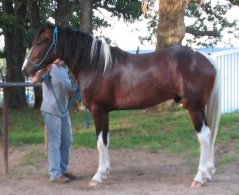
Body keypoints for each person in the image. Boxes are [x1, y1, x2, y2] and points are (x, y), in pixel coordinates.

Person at [32, 59, 77, 183]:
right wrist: (43, 71)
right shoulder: (48, 68)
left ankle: (63, 169)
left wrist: (72, 92)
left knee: (67, 140)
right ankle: (55, 174)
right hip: (51, 109)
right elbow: (35, 80)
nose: (60, 58)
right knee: (54, 142)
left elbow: (65, 89)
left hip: (63, 111)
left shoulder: (64, 70)